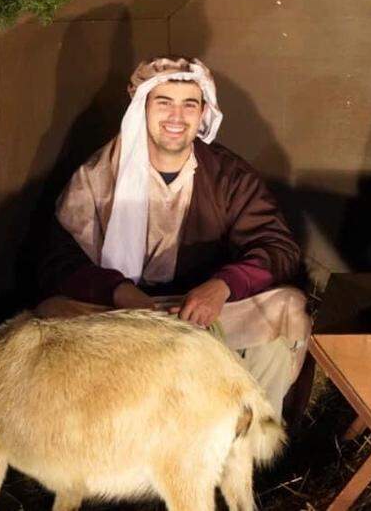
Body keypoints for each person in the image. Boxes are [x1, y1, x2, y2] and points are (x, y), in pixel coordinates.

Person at [34, 56, 310, 418]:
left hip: (201, 309)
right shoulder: (95, 176)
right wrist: (121, 293)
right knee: (50, 316)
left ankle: (241, 446)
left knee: (287, 307)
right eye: (164, 102)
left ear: (203, 113)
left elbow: (277, 247)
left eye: (189, 104)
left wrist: (222, 287)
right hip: (120, 311)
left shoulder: (230, 176)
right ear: (142, 108)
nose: (176, 117)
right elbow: (58, 263)